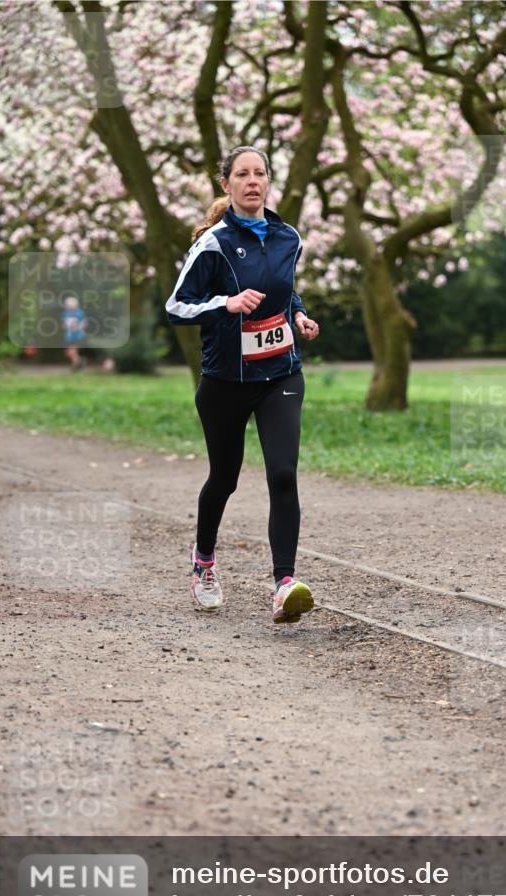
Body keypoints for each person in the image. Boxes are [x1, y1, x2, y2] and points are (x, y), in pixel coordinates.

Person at [165, 146, 320, 624]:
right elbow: (176, 306)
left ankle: (284, 584)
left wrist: (298, 313)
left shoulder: (287, 236)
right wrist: (225, 305)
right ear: (227, 184)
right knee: (224, 479)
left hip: (281, 373)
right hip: (225, 381)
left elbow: (284, 286)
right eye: (242, 174)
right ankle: (204, 562)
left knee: (283, 474)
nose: (253, 181)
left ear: (268, 181)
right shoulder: (212, 243)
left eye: (260, 173)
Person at [61, 295, 87, 371]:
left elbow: (84, 323)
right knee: (68, 353)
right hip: (69, 336)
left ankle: (75, 367)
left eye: (70, 305)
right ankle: (80, 362)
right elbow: (65, 324)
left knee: (72, 352)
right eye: (67, 305)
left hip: (77, 335)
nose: (68, 306)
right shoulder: (65, 313)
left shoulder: (79, 313)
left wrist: (78, 327)